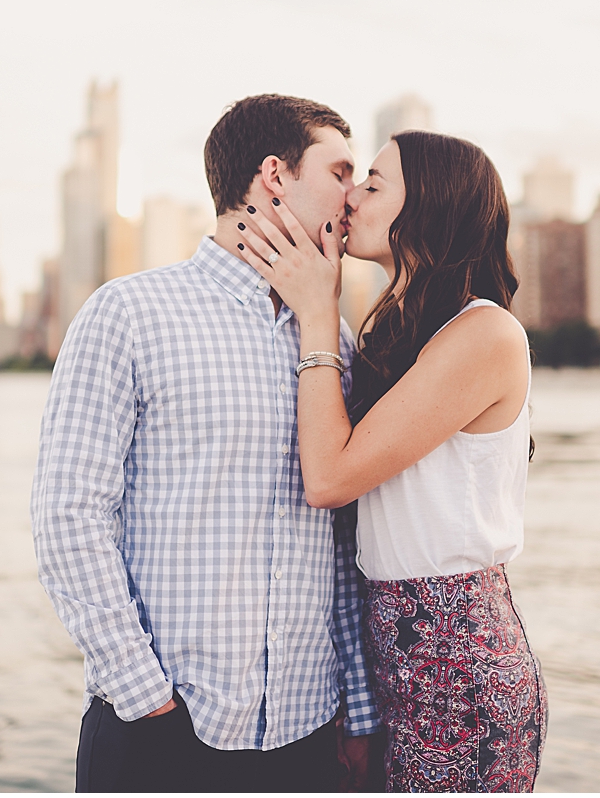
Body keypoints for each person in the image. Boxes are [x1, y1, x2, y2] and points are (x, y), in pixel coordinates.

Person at [31, 94, 380, 792]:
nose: (355, 194)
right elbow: (68, 516)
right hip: (163, 731)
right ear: (274, 175)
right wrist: (147, 700)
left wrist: (360, 711)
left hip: (309, 740)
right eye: (340, 171)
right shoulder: (129, 313)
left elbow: (344, 542)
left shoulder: (331, 340)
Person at [234, 129, 547, 793]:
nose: (350, 195)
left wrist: (317, 312)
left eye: (373, 184)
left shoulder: (485, 333)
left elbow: (329, 477)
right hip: (396, 657)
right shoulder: (402, 335)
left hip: (458, 663)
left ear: (428, 209)